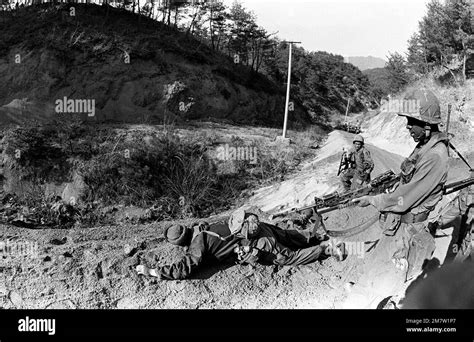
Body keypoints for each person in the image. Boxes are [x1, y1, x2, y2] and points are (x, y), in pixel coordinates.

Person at [347, 88, 449, 308]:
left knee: (391, 282)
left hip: (409, 232)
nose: (408, 126)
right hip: (398, 228)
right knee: (377, 269)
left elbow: (405, 198)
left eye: (413, 121)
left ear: (428, 125)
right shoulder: (424, 146)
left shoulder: (435, 156)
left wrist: (373, 200)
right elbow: (405, 180)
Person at [136, 208, 345, 280]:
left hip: (261, 241)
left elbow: (186, 267)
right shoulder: (203, 226)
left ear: (181, 242)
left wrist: (154, 272)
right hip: (258, 225)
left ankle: (327, 248)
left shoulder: (198, 244)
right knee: (289, 235)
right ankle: (314, 235)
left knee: (288, 258)